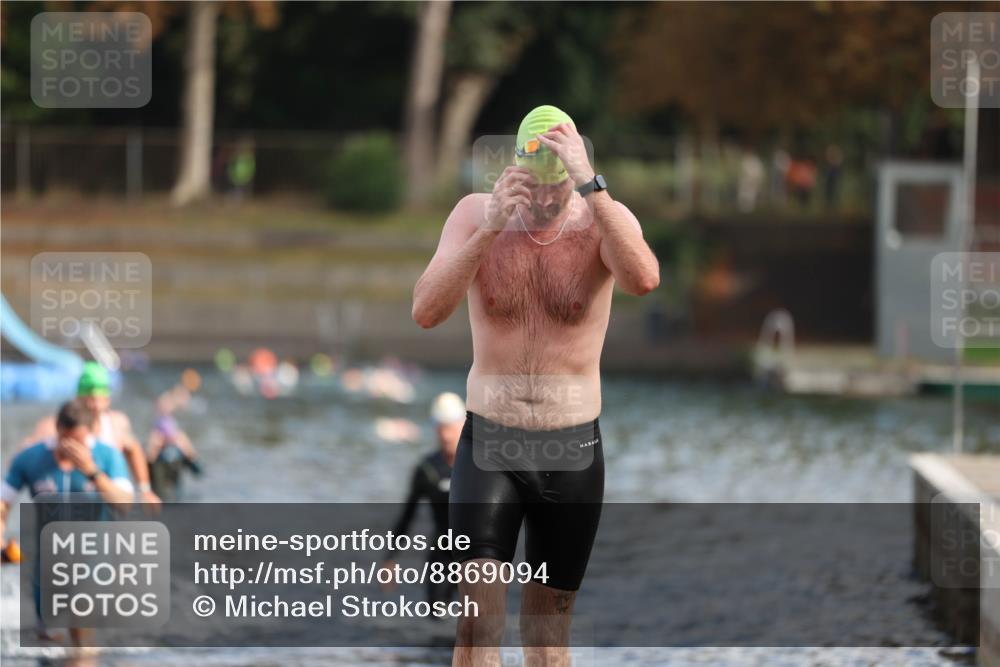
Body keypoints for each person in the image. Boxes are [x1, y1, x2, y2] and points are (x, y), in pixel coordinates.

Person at [412, 105, 659, 666]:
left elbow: (644, 278)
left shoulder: (603, 216)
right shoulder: (475, 213)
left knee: (547, 642)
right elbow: (425, 311)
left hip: (571, 451)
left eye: (558, 189)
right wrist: (492, 225)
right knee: (478, 628)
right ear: (514, 167)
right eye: (536, 187)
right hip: (491, 446)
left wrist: (590, 187)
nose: (546, 203)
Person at [1, 400, 133, 647]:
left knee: (81, 625)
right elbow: (3, 504)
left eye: (79, 441)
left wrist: (92, 471)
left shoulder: (107, 457)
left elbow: (125, 503)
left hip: (96, 556)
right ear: (57, 429)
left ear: (90, 433)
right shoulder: (31, 458)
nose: (72, 448)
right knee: (46, 640)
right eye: (67, 440)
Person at [21, 362, 161, 507]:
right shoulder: (53, 425)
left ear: (108, 400)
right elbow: (26, 455)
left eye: (100, 401)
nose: (95, 407)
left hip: (106, 500)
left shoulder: (117, 423)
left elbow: (134, 449)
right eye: (89, 401)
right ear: (78, 399)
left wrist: (145, 490)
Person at [379, 392, 466, 604]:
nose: (446, 435)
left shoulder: (480, 465)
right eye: (441, 428)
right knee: (437, 626)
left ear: (463, 425)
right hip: (441, 556)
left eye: (451, 427)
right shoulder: (427, 469)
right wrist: (390, 559)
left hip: (475, 557)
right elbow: (408, 515)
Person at [147, 387, 202, 502]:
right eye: (163, 405)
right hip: (163, 454)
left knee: (181, 440)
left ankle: (195, 463)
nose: (165, 407)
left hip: (172, 453)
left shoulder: (171, 422)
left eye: (168, 405)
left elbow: (177, 437)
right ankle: (194, 463)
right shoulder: (158, 424)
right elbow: (156, 439)